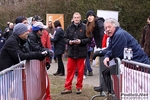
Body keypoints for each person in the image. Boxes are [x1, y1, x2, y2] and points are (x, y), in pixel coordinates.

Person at [92, 18, 150, 97]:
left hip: (139, 64)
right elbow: (110, 49)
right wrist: (105, 55)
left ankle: (112, 94)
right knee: (106, 72)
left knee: (141, 88)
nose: (107, 29)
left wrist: (106, 56)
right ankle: (110, 93)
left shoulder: (119, 34)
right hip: (132, 64)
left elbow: (116, 52)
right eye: (105, 28)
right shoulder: (114, 35)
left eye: (109, 27)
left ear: (114, 26)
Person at [61, 12, 91, 94]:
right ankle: (68, 87)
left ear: (80, 18)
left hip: (81, 53)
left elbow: (89, 39)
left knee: (81, 72)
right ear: (73, 18)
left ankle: (79, 87)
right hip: (71, 53)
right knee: (70, 71)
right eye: (75, 17)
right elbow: (64, 38)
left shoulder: (85, 27)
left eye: (78, 17)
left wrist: (81, 41)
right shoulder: (69, 28)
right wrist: (69, 41)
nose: (76, 19)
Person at [27, 21, 52, 100]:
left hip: (37, 62)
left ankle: (45, 97)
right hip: (32, 63)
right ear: (38, 31)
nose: (44, 31)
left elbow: (40, 47)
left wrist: (47, 51)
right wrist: (46, 51)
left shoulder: (37, 37)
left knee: (44, 81)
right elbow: (36, 48)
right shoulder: (32, 37)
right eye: (42, 30)